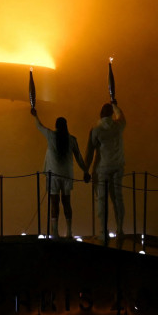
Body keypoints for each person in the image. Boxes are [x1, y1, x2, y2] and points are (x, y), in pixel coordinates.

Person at [31, 108, 89, 239]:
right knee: (67, 203)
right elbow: (79, 157)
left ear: (56, 126)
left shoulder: (51, 135)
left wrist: (35, 115)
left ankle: (55, 232)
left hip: (54, 176)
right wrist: (86, 171)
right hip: (67, 175)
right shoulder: (72, 139)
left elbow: (39, 126)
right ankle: (69, 232)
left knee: (54, 203)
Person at [84, 101, 127, 247]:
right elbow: (121, 115)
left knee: (101, 200)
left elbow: (90, 153)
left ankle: (103, 232)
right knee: (118, 199)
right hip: (118, 167)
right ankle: (120, 230)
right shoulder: (118, 126)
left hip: (102, 168)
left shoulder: (96, 130)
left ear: (100, 114)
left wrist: (85, 170)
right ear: (111, 114)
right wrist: (115, 104)